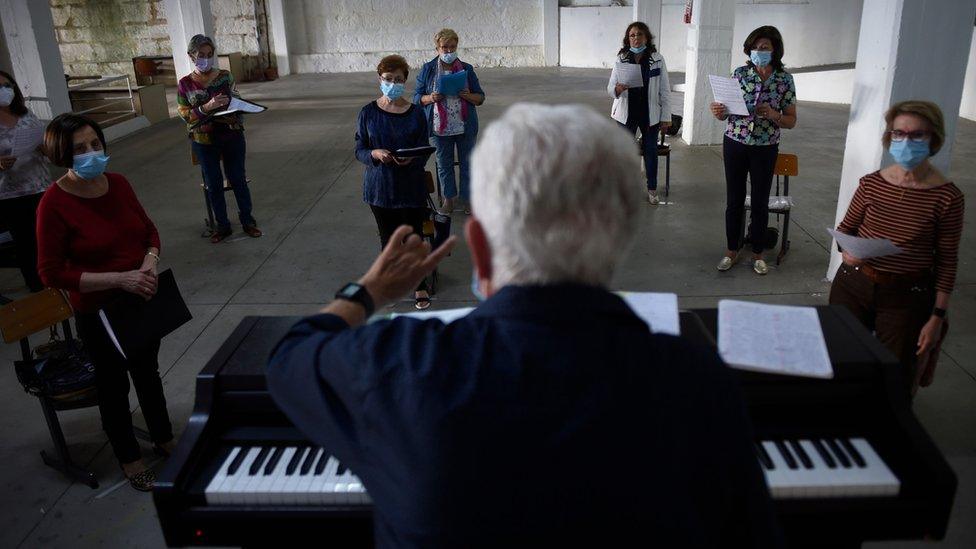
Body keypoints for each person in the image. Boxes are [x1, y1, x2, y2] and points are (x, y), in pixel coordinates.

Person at [267, 104, 780, 548]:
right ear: (621, 239)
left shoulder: (402, 362)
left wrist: (370, 291)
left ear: (481, 247)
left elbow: (292, 354)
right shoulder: (695, 381)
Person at [36, 114, 176, 492]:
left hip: (140, 298)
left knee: (148, 375)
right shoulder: (54, 203)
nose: (91, 154)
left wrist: (149, 262)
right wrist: (119, 279)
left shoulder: (118, 184)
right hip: (99, 312)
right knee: (113, 388)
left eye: (95, 145)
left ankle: (163, 437)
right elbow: (51, 273)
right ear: (62, 155)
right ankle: (130, 458)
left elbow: (148, 230)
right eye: (80, 149)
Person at [830, 101, 964, 392]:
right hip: (854, 284)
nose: (906, 141)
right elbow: (844, 231)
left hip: (906, 296)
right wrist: (846, 253)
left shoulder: (947, 198)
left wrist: (936, 318)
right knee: (843, 359)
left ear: (934, 139)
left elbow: (946, 261)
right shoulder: (871, 184)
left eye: (917, 135)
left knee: (895, 376)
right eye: (899, 134)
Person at [710, 25, 797, 275]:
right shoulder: (739, 74)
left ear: (775, 50)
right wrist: (718, 112)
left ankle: (758, 253)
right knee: (734, 200)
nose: (759, 51)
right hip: (735, 142)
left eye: (765, 48)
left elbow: (791, 120)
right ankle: (731, 250)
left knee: (760, 201)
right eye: (756, 48)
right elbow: (724, 111)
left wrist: (774, 115)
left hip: (765, 147)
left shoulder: (784, 80)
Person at [356, 54, 434, 310]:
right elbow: (360, 149)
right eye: (388, 79)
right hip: (380, 188)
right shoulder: (367, 113)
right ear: (380, 79)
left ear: (405, 81)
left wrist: (411, 160)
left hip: (410, 186)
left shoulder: (415, 114)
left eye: (398, 79)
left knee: (414, 237)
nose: (392, 83)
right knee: (388, 240)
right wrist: (375, 154)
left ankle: (419, 284)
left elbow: (423, 148)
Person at [176, 34, 261, 243]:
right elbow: (184, 114)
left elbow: (237, 98)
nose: (205, 59)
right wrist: (207, 107)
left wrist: (237, 108)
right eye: (200, 55)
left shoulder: (225, 76)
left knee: (238, 179)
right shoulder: (185, 84)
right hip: (204, 140)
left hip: (231, 134)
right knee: (213, 185)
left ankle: (248, 222)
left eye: (209, 55)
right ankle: (222, 226)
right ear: (191, 56)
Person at [414, 28, 485, 215]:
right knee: (443, 164)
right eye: (444, 47)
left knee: (467, 163)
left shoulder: (467, 69)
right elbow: (416, 98)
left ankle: (468, 199)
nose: (448, 51)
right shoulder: (428, 69)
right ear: (437, 48)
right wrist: (430, 98)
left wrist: (468, 96)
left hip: (464, 125)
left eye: (452, 47)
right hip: (439, 127)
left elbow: (480, 98)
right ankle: (448, 199)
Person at [607, 21, 672, 205]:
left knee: (650, 151)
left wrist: (666, 117)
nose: (636, 38)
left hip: (649, 113)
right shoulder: (621, 58)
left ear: (647, 38)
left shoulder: (657, 59)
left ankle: (652, 189)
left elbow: (665, 90)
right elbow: (610, 87)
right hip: (625, 112)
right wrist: (617, 89)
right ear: (628, 39)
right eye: (632, 35)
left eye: (639, 34)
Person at [0, 70, 49, 292]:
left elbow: (43, 142)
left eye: (8, 85)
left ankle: (56, 277)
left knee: (49, 236)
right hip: (11, 194)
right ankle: (38, 287)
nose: (4, 91)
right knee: (27, 243)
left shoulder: (26, 114)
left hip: (40, 185)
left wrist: (44, 147)